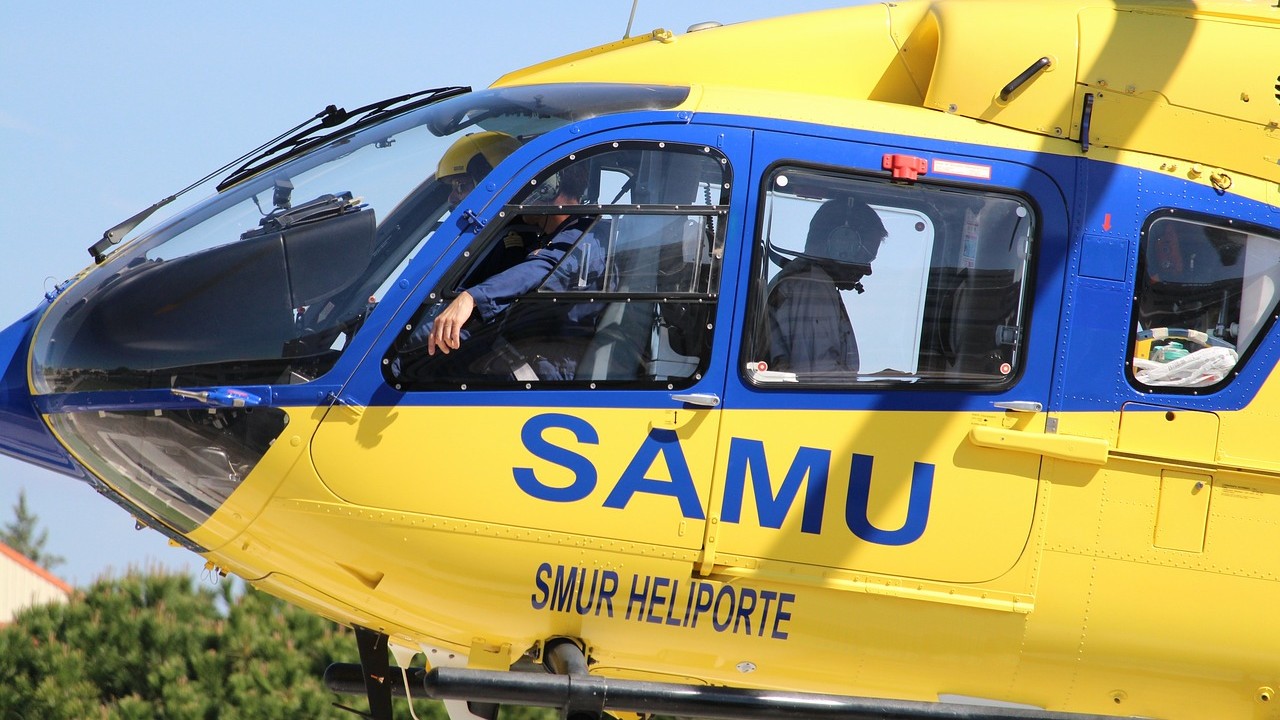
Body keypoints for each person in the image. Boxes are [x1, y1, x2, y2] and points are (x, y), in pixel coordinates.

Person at [426, 163, 605, 380]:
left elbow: (545, 268)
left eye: (527, 185)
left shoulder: (579, 240)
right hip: (525, 356)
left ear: (548, 188)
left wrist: (471, 297)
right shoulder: (557, 236)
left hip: (542, 373)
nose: (517, 195)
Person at [766, 195, 887, 374]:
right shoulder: (812, 288)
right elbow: (817, 379)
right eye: (866, 256)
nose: (868, 270)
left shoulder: (802, 281)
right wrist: (882, 383)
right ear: (842, 243)